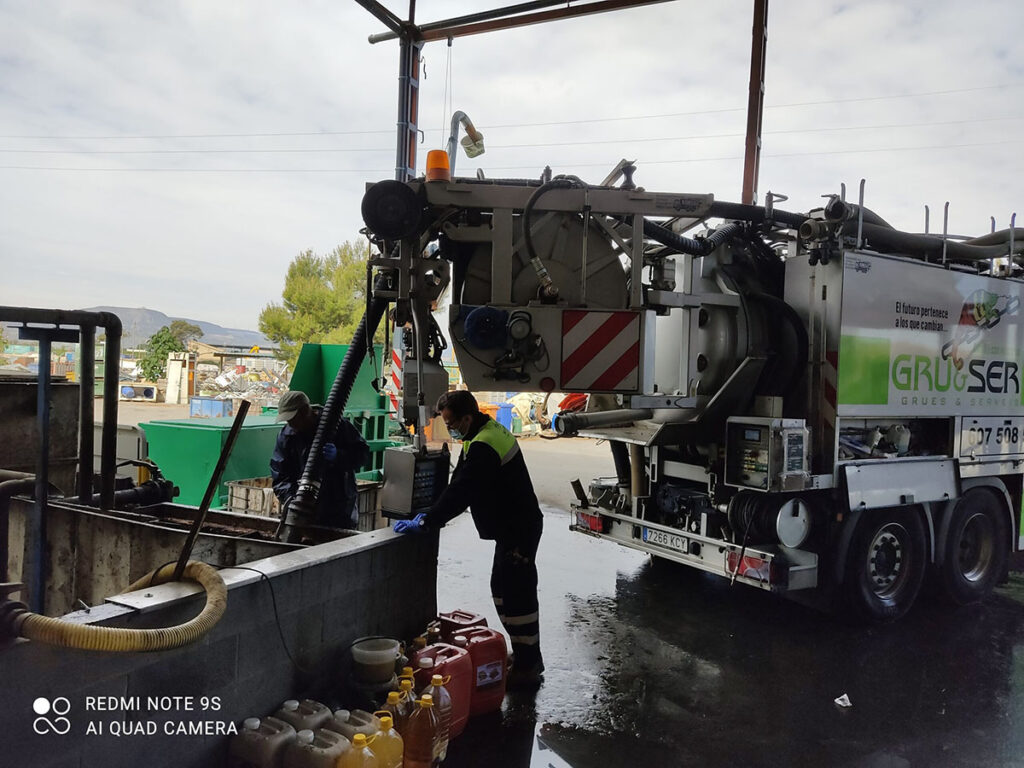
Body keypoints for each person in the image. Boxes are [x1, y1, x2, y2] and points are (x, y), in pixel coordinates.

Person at [393, 390, 545, 689]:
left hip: (518, 529)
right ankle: (525, 654)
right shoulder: (479, 434)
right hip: (512, 528)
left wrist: (427, 521)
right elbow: (458, 483)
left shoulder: (485, 444)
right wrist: (432, 513)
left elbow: (463, 490)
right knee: (502, 589)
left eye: (452, 423)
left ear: (467, 417)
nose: (449, 428)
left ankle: (528, 666)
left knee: (517, 596)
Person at [271, 390, 369, 537]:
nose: (290, 424)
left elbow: (362, 455)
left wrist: (338, 456)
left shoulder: (336, 425)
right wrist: (292, 499)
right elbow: (280, 475)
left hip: (338, 509)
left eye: (292, 419)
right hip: (304, 511)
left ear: (305, 411)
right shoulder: (286, 436)